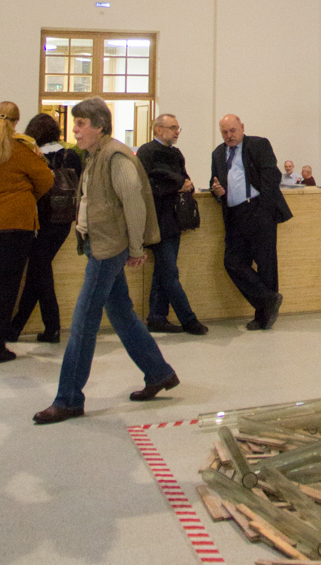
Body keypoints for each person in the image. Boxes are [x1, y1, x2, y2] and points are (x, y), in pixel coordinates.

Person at [33, 97, 179, 424]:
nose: (75, 130)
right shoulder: (96, 155)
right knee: (121, 314)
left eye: (81, 124)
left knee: (83, 323)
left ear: (99, 126)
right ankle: (159, 373)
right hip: (99, 245)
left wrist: (137, 248)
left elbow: (134, 203)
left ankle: (69, 399)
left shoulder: (115, 156)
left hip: (108, 250)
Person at [210, 115, 292, 330]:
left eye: (233, 130)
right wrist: (216, 191)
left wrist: (263, 209)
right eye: (225, 132)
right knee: (233, 262)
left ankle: (263, 318)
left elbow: (272, 177)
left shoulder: (258, 145)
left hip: (258, 210)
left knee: (266, 265)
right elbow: (214, 181)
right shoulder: (218, 153)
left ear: (242, 128)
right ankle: (268, 299)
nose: (229, 135)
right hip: (234, 214)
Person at [10, 112, 81, 345]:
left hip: (41, 220)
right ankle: (22, 328)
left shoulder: (34, 155)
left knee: (39, 273)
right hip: (64, 221)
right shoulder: (71, 155)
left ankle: (44, 327)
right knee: (39, 272)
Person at [136, 114, 208, 336]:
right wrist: (175, 185)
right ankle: (188, 319)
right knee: (169, 273)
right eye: (173, 127)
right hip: (155, 221)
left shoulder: (176, 154)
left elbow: (186, 181)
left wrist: (183, 184)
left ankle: (157, 318)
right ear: (158, 129)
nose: (177, 132)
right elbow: (144, 186)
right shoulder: (146, 152)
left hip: (174, 220)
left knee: (163, 272)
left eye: (178, 128)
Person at [0, 101, 54, 363]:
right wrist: (28, 195)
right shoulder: (22, 148)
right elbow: (46, 179)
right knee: (7, 286)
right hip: (16, 223)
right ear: (17, 121)